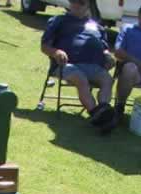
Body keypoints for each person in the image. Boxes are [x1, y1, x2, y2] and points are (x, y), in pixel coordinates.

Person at [41, 0, 116, 128]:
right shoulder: (59, 20)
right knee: (80, 78)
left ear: (88, 6)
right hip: (65, 65)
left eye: (81, 2)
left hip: (94, 66)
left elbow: (104, 48)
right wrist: (57, 51)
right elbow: (44, 46)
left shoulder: (97, 26)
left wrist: (108, 55)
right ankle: (96, 113)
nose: (76, 5)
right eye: (73, 1)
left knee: (107, 79)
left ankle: (103, 109)